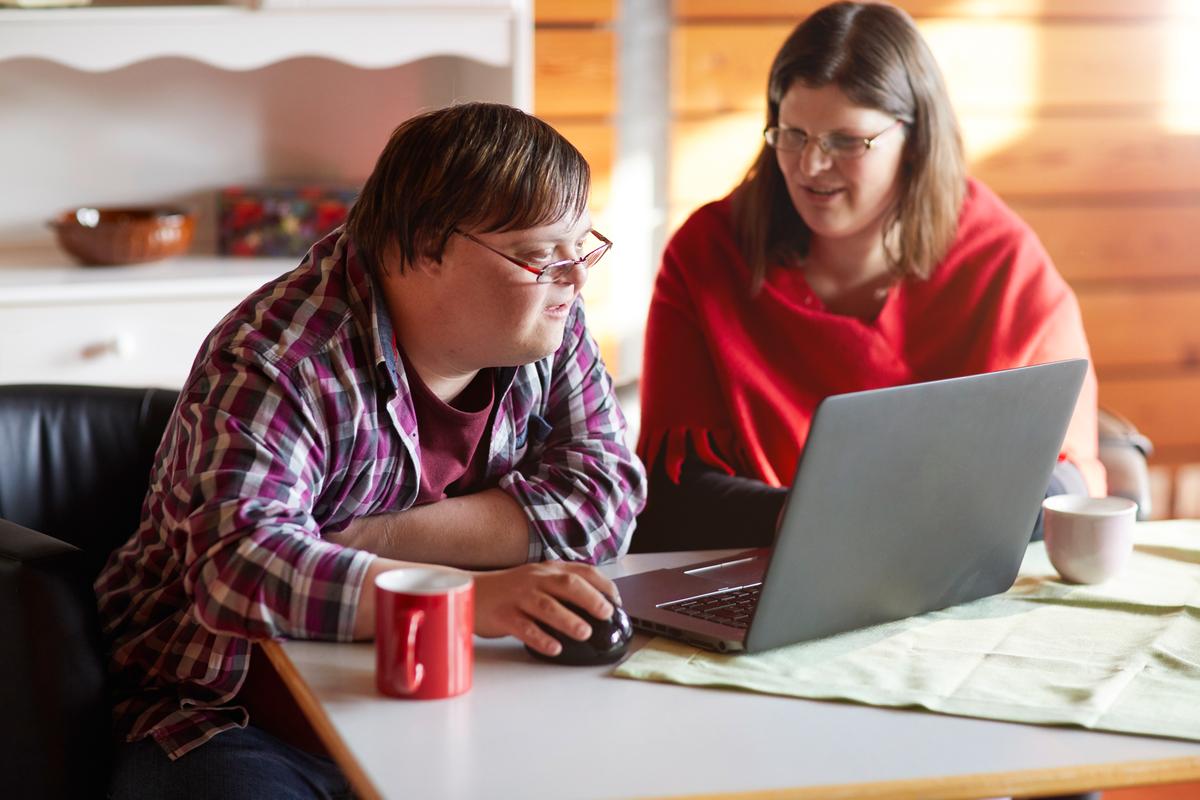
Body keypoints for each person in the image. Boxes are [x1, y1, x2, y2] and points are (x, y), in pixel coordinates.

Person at [96, 102, 647, 799]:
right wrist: (462, 597)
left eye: (579, 247)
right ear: (418, 249)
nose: (574, 277)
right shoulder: (279, 358)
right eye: (540, 254)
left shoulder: (541, 320)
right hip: (230, 712)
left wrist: (376, 538)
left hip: (456, 690)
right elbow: (237, 566)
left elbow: (606, 502)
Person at [633, 0, 1105, 553]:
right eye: (793, 134)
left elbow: (1069, 479)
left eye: (845, 141)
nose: (810, 166)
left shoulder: (1001, 259)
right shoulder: (708, 255)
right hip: (762, 568)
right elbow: (667, 496)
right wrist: (818, 522)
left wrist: (897, 524)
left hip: (954, 569)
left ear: (915, 142)